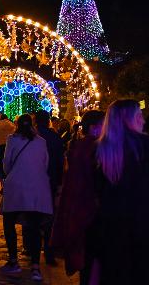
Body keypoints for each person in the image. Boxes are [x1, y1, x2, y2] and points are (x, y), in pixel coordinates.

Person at [85, 99, 149, 285]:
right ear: (129, 119)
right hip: (144, 224)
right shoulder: (148, 145)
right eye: (139, 116)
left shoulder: (100, 149)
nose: (143, 121)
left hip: (112, 226)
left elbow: (97, 190)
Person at [49, 109, 104, 283]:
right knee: (95, 256)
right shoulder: (95, 147)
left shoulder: (78, 146)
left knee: (87, 258)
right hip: (92, 210)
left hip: (79, 208)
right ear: (95, 127)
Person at [0, 114, 52, 281]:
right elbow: (46, 163)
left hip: (16, 187)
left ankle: (13, 261)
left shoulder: (12, 140)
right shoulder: (41, 142)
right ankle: (35, 267)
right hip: (37, 188)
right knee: (35, 227)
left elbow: (6, 164)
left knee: (9, 222)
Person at [34, 110, 66, 265]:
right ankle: (48, 251)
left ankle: (31, 248)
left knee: (32, 215)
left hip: (33, 181)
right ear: (48, 121)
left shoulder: (30, 137)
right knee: (49, 216)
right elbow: (60, 160)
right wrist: (59, 181)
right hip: (50, 180)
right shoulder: (54, 137)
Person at [0, 113, 16, 177]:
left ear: (1, 118)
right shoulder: (12, 125)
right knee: (9, 164)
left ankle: (2, 178)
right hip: (10, 146)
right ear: (7, 118)